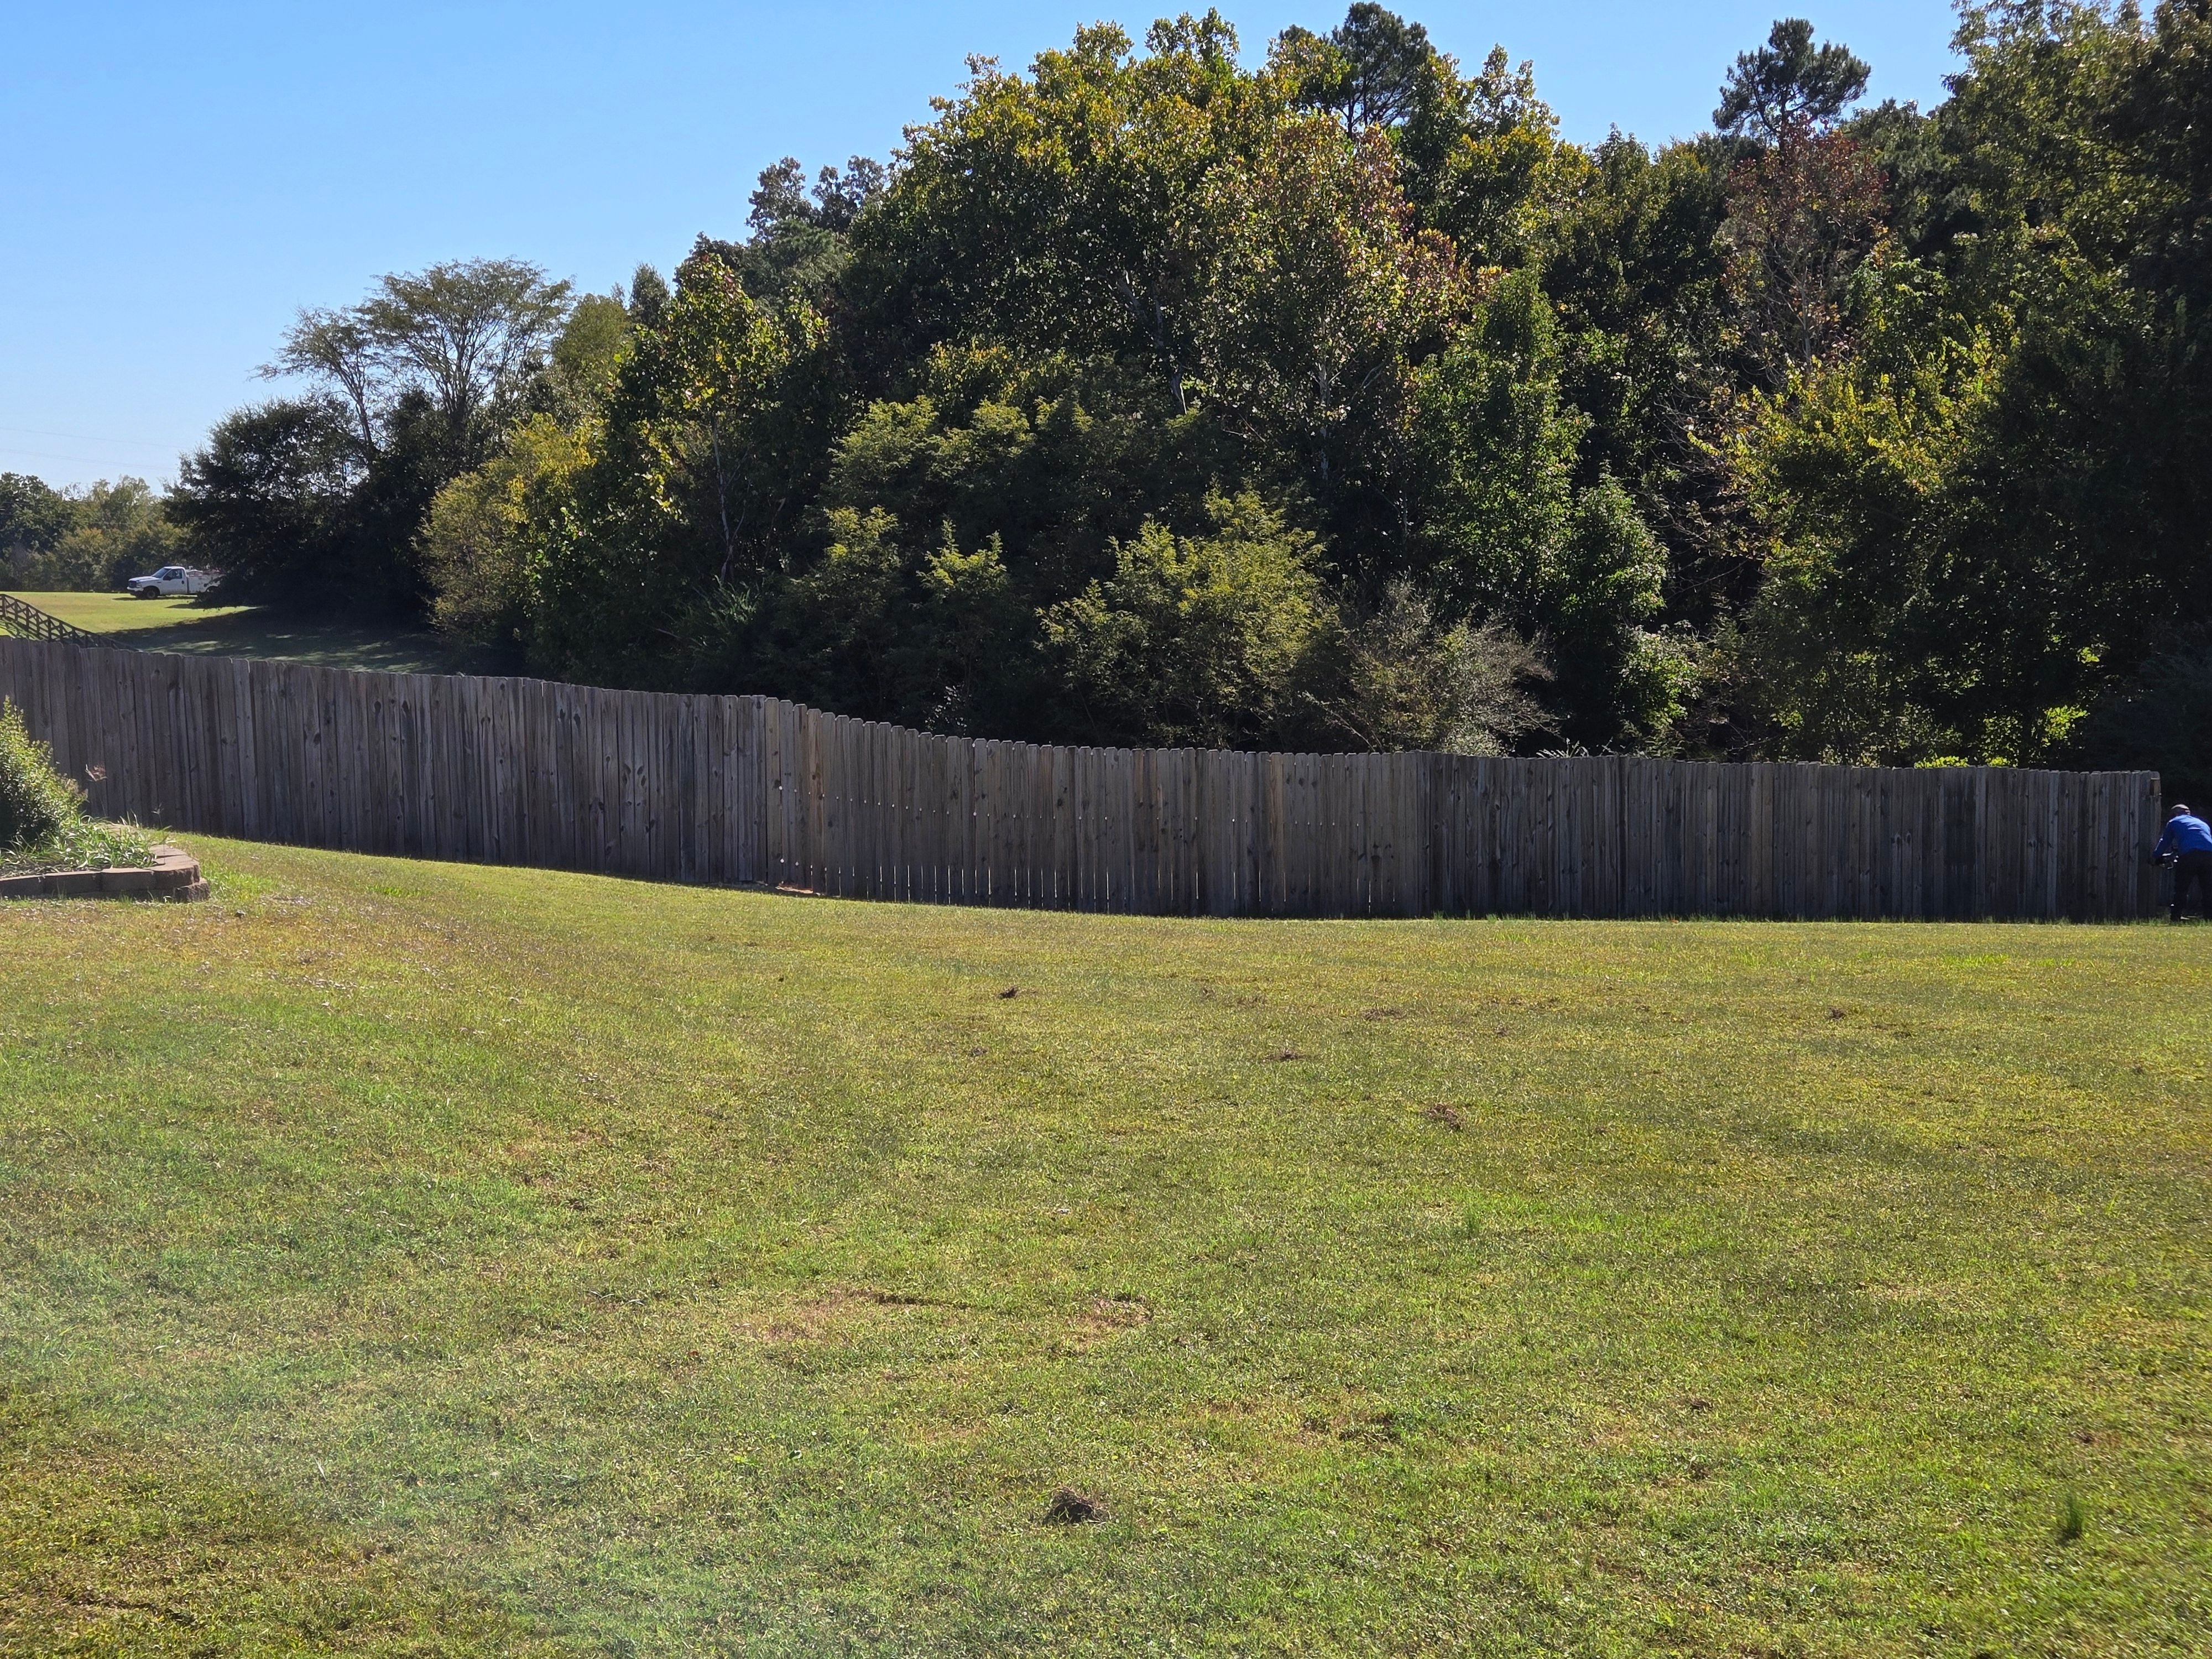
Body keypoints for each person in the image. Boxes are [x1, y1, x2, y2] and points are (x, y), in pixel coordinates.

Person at [2153, 803, 2212, 921]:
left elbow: (2165, 841)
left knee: (2182, 887)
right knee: (2208, 888)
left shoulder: (2174, 822)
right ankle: (2209, 918)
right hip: (2209, 855)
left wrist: (2155, 856)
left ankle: (2176, 916)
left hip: (2190, 855)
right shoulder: (2202, 824)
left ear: (2175, 814)